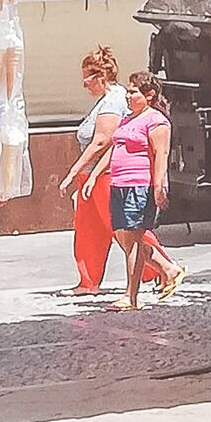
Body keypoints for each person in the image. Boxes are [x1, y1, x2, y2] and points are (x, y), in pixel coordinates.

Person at [109, 71, 182, 307]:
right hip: (118, 183)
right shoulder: (128, 119)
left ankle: (131, 297)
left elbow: (161, 154)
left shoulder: (156, 121)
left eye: (133, 92)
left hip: (139, 184)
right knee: (124, 238)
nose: (128, 96)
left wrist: (159, 186)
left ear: (149, 95)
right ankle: (168, 269)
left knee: (133, 239)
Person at [60, 46, 126, 302]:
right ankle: (88, 280)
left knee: (120, 227)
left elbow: (102, 140)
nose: (84, 82)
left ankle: (161, 270)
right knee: (89, 229)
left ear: (102, 76)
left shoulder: (113, 100)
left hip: (105, 174)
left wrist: (72, 172)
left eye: (88, 75)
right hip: (90, 176)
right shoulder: (104, 101)